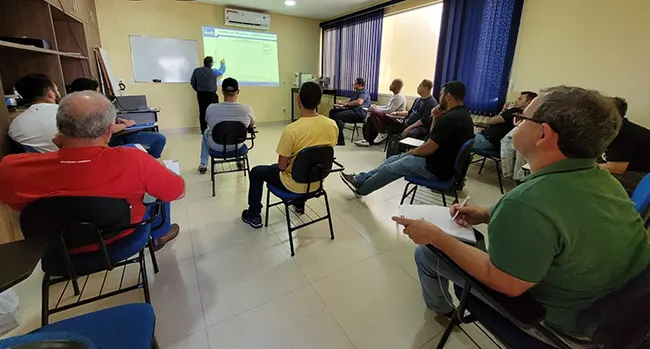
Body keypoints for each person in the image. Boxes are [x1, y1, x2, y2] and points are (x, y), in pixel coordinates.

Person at [395, 86, 650, 343]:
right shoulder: (605, 180)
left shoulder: (526, 202)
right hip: (617, 311)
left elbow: (506, 283)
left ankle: (444, 311)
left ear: (543, 134)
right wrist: (485, 213)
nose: (515, 122)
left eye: (522, 117)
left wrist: (436, 236)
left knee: (427, 253)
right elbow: (564, 224)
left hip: (562, 326)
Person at [0, 91, 185, 251]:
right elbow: (178, 191)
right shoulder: (135, 160)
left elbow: (18, 205)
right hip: (120, 238)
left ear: (59, 127)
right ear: (109, 130)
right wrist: (159, 168)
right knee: (158, 188)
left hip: (55, 248)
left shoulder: (11, 167)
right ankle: (160, 235)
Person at [340, 81, 474, 197]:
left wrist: (410, 152)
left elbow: (428, 147)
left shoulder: (450, 118)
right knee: (392, 160)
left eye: (441, 95)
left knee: (390, 169)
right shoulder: (463, 114)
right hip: (439, 163)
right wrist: (435, 118)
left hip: (435, 168)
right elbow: (432, 138)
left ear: (448, 96)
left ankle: (361, 189)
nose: (440, 98)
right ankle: (359, 179)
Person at [241, 82, 338, 228]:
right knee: (303, 164)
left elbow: (281, 166)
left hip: (293, 184)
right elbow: (320, 154)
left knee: (256, 172)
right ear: (319, 101)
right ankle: (299, 204)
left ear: (298, 100)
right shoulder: (332, 125)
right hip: (317, 182)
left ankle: (254, 215)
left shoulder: (291, 130)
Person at [68, 77, 167, 159]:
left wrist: (118, 120)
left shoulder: (95, 105)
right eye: (97, 93)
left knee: (159, 139)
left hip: (120, 134)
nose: (100, 95)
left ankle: (151, 162)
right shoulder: (81, 112)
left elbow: (107, 122)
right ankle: (149, 163)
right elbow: (107, 129)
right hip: (111, 140)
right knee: (157, 140)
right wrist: (125, 125)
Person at [198, 77, 255, 174]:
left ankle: (203, 163)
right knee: (237, 133)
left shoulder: (211, 108)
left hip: (217, 146)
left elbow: (208, 122)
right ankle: (239, 160)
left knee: (206, 132)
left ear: (222, 91)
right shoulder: (247, 109)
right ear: (238, 92)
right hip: (237, 146)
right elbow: (251, 124)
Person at [600, 97, 650, 194]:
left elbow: (617, 168)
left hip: (644, 177)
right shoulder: (617, 128)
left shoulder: (623, 133)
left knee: (597, 178)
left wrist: (589, 167)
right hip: (636, 170)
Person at [8, 74, 61, 153]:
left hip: (45, 164)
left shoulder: (14, 126)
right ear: (50, 93)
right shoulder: (72, 112)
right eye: (56, 89)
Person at [473, 91, 537, 151]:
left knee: (463, 139)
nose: (516, 101)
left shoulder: (515, 111)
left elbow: (491, 121)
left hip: (487, 141)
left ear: (528, 102)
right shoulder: (529, 116)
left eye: (520, 99)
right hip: (497, 145)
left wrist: (504, 110)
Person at [354, 78, 407, 147]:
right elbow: (386, 107)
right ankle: (367, 140)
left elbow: (390, 110)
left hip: (395, 120)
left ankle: (382, 132)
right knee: (370, 119)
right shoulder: (395, 96)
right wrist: (377, 107)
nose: (390, 85)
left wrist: (376, 110)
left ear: (397, 87)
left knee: (373, 112)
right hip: (390, 116)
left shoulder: (399, 97)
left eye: (392, 84)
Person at [328, 78, 371, 146]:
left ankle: (340, 140)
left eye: (355, 83)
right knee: (332, 112)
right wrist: (342, 103)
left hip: (359, 113)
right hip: (353, 110)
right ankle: (333, 135)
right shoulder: (356, 92)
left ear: (359, 85)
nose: (353, 85)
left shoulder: (363, 92)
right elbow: (351, 102)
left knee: (337, 117)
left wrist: (347, 104)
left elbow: (359, 102)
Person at [191, 56, 226, 133]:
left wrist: (197, 89)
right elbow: (222, 71)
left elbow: (192, 82)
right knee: (215, 110)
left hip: (201, 94)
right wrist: (223, 64)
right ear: (211, 63)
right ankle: (215, 128)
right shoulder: (214, 72)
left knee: (202, 111)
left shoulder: (197, 71)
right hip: (211, 94)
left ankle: (203, 130)